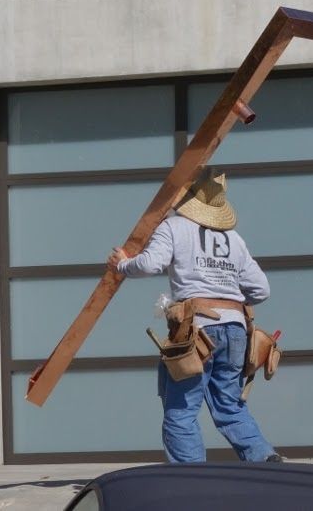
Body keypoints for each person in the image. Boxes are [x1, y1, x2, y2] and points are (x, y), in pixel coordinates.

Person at [107, 172, 284, 463]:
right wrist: (228, 302)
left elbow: (151, 264)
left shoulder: (174, 227)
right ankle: (264, 458)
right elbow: (261, 289)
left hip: (197, 331)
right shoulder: (234, 239)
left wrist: (122, 264)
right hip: (236, 330)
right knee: (230, 406)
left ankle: (190, 477)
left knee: (181, 410)